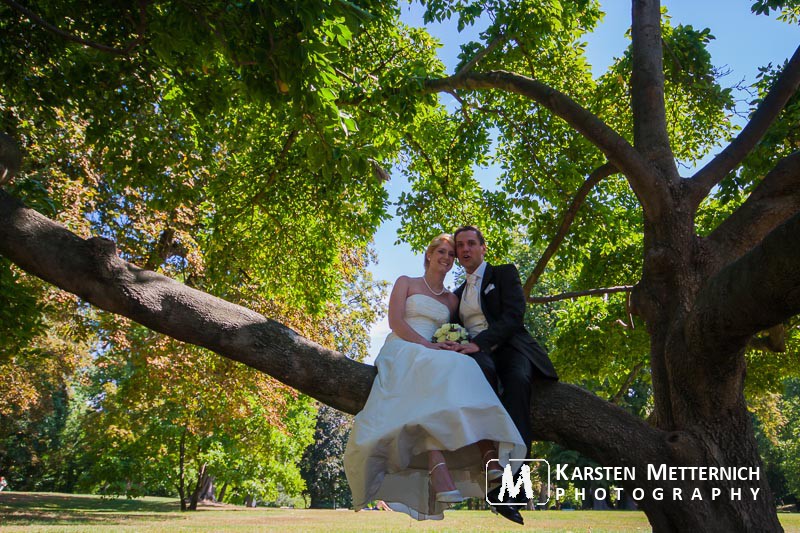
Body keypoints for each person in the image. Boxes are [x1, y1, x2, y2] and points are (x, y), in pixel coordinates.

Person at [344, 233, 526, 521]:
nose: (447, 257)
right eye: (442, 251)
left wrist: (450, 344)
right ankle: (439, 461)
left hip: (435, 352)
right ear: (428, 254)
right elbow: (395, 321)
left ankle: (486, 453)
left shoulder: (453, 300)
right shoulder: (406, 282)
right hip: (404, 345)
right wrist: (426, 345)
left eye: (451, 254)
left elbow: (456, 331)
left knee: (463, 366)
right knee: (436, 366)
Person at [453, 225, 559, 525]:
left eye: (471, 243)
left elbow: (514, 316)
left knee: (516, 386)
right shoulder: (457, 294)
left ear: (483, 248)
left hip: (510, 348)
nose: (465, 249)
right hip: (475, 356)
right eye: (460, 245)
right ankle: (493, 475)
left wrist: (480, 343)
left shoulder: (504, 274)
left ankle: (515, 489)